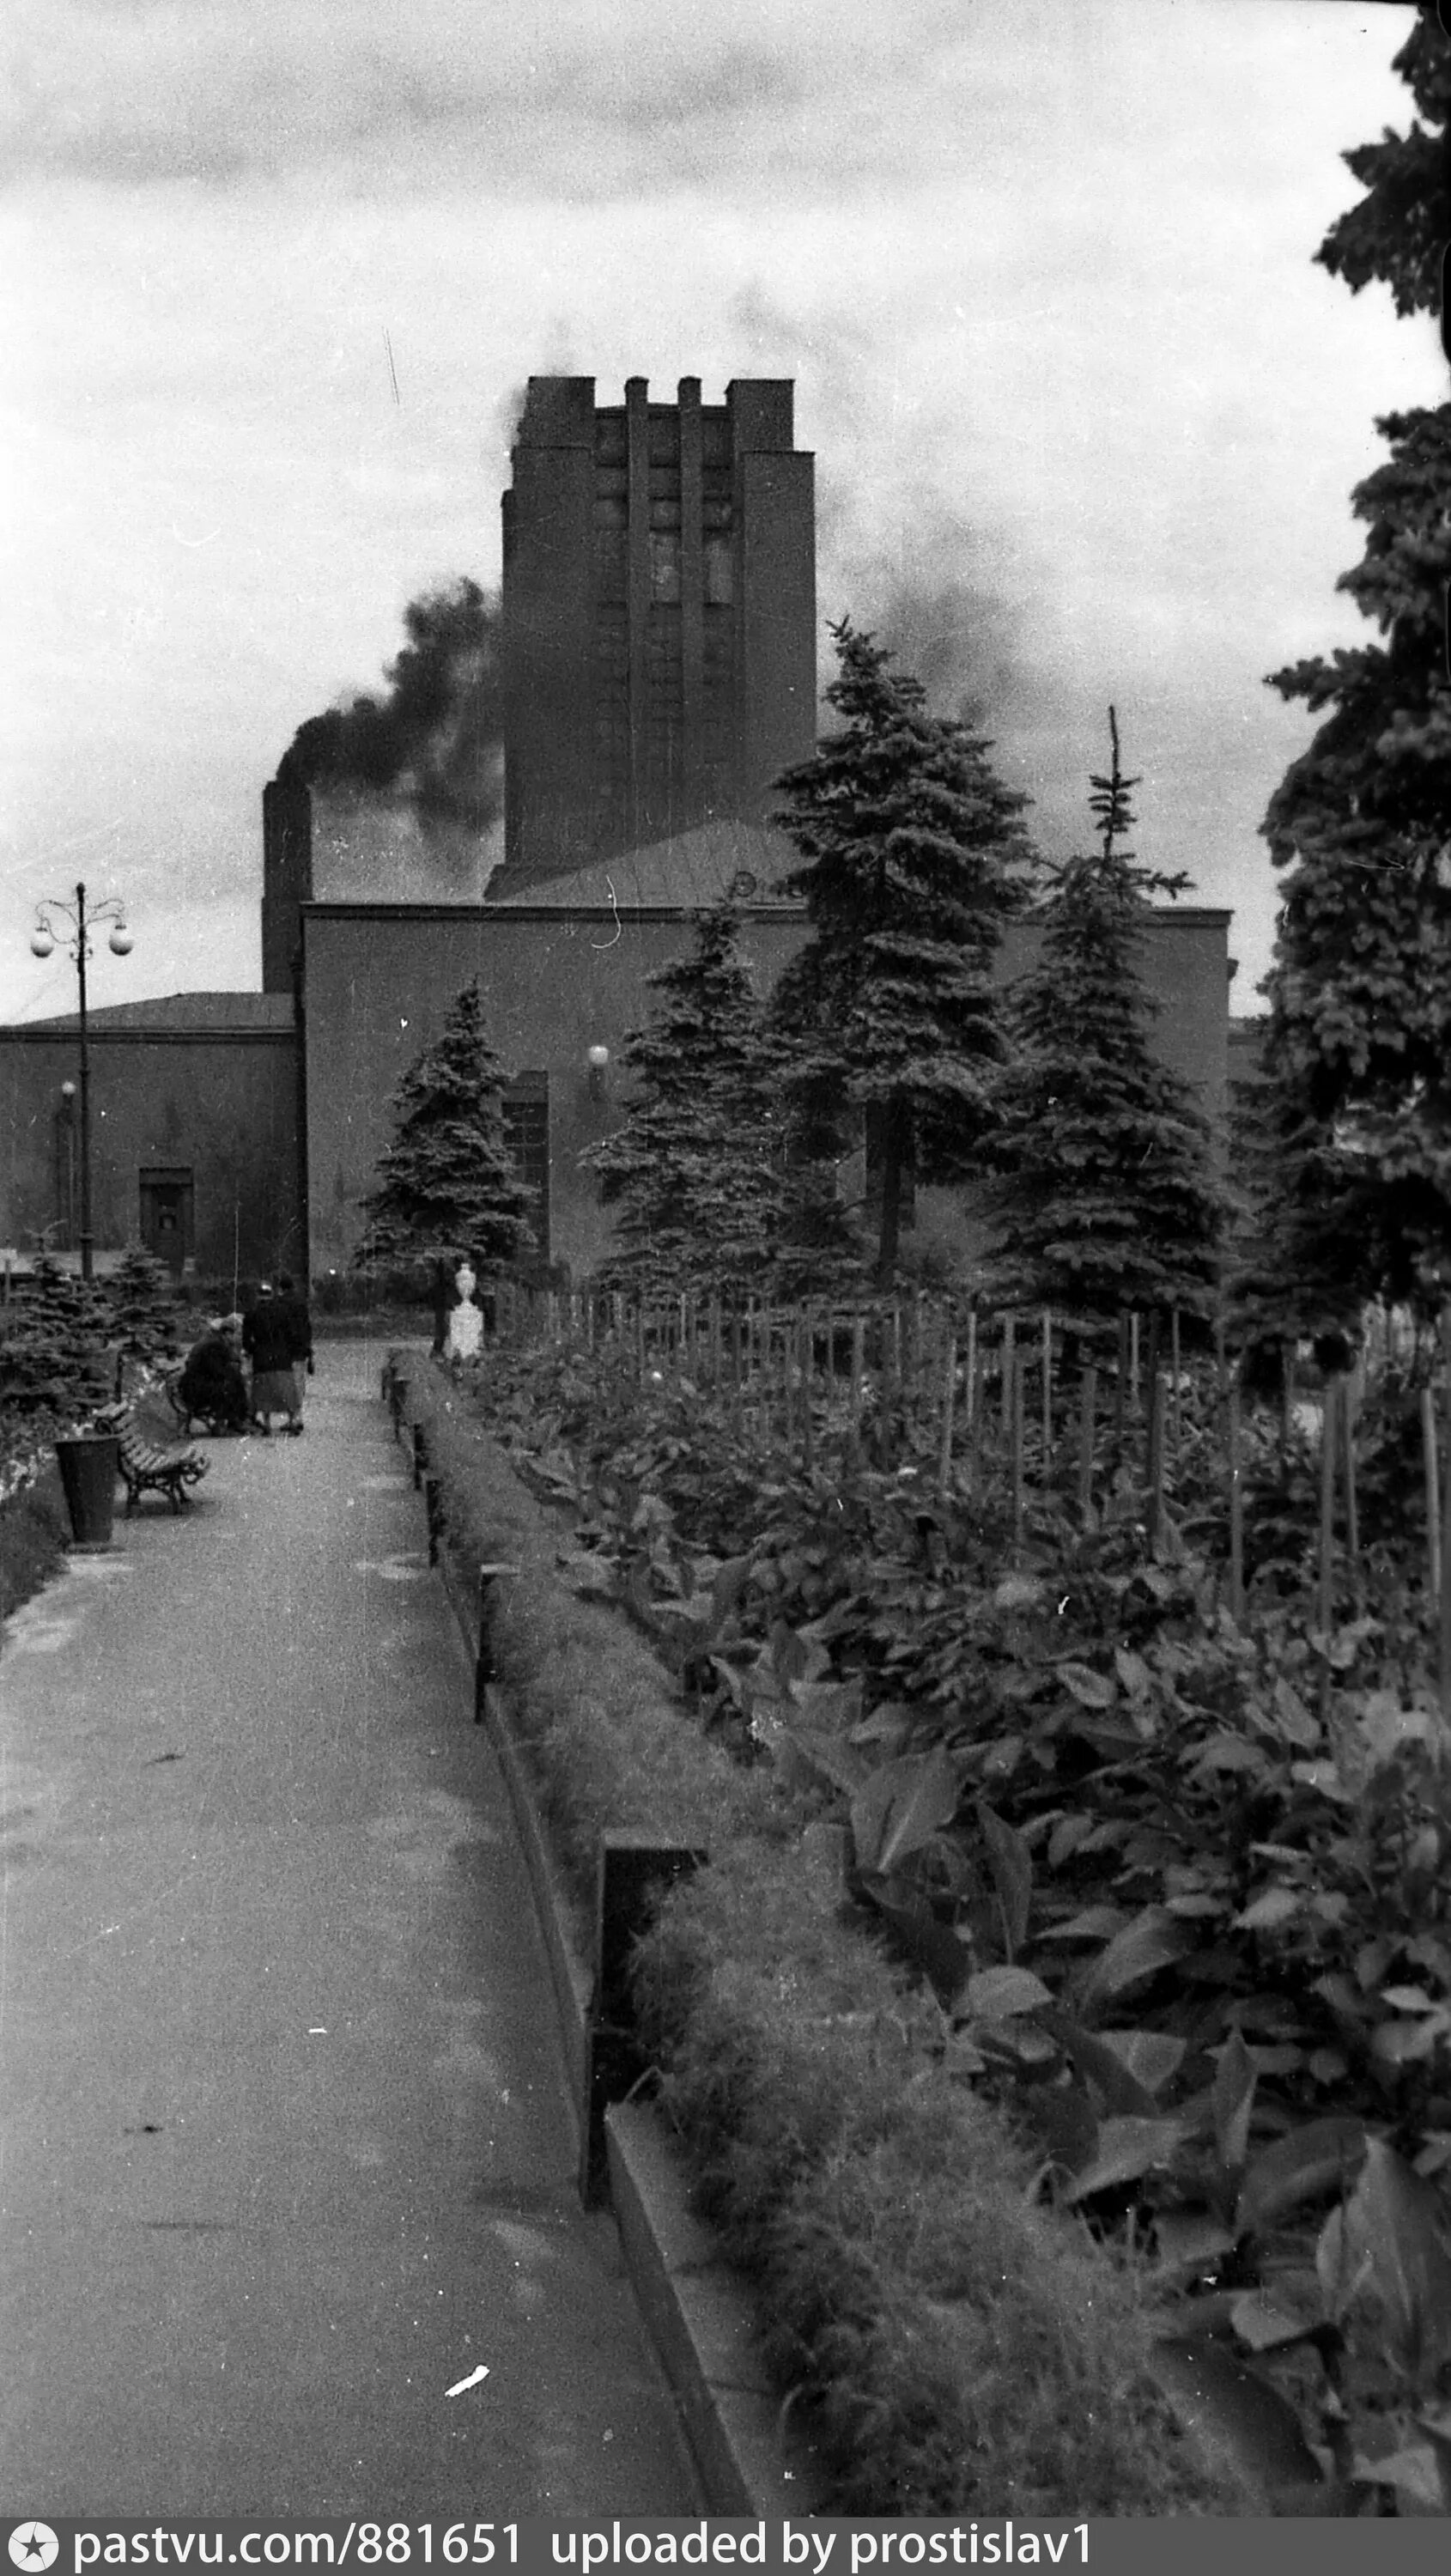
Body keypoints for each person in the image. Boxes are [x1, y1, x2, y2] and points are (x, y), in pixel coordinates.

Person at [241, 1281, 301, 1437]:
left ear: (258, 1295)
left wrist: (252, 1350)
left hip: (262, 1359)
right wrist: (290, 1351)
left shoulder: (251, 1313)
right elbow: (291, 1333)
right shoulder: (282, 1311)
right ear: (271, 1295)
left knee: (264, 1392)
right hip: (282, 1357)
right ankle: (292, 1419)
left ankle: (267, 1424)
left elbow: (246, 1339)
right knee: (286, 1390)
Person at [176, 1315, 250, 1434]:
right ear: (227, 1334)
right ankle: (231, 1421)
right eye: (238, 1334)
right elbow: (216, 1370)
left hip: (199, 1384)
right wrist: (234, 1373)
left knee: (235, 1384)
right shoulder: (215, 1345)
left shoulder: (219, 1343)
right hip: (196, 1388)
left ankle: (236, 1420)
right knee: (231, 1387)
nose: (239, 1338)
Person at [273, 1272, 315, 1433]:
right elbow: (307, 1327)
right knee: (298, 1384)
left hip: (285, 1350)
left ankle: (292, 1418)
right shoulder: (300, 1303)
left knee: (287, 1384)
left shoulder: (279, 1303)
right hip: (301, 1350)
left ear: (281, 1288)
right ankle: (298, 1417)